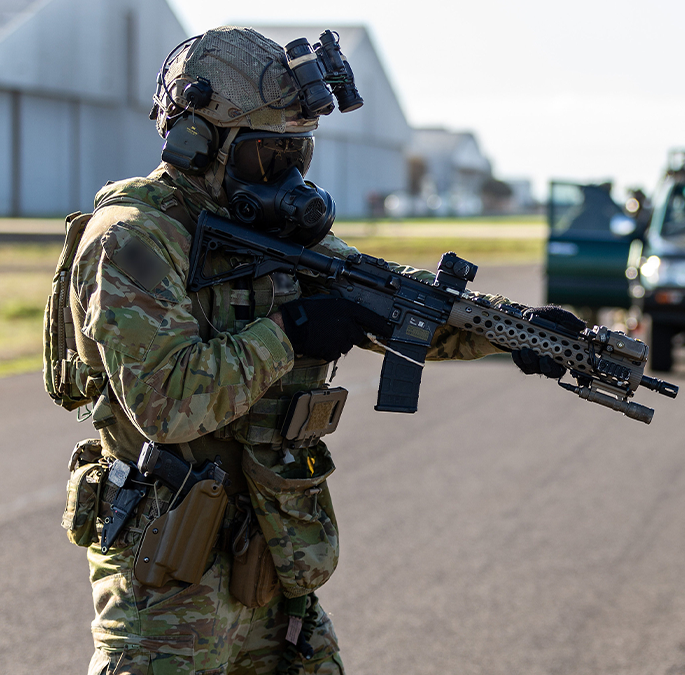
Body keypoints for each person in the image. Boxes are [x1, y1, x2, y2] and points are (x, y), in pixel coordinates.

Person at [50, 27, 573, 674]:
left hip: (269, 553)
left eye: (300, 156)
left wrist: (511, 331)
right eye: (269, 158)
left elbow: (387, 296)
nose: (289, 179)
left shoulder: (265, 230)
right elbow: (167, 403)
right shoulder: (132, 240)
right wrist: (290, 333)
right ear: (197, 142)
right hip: (169, 582)